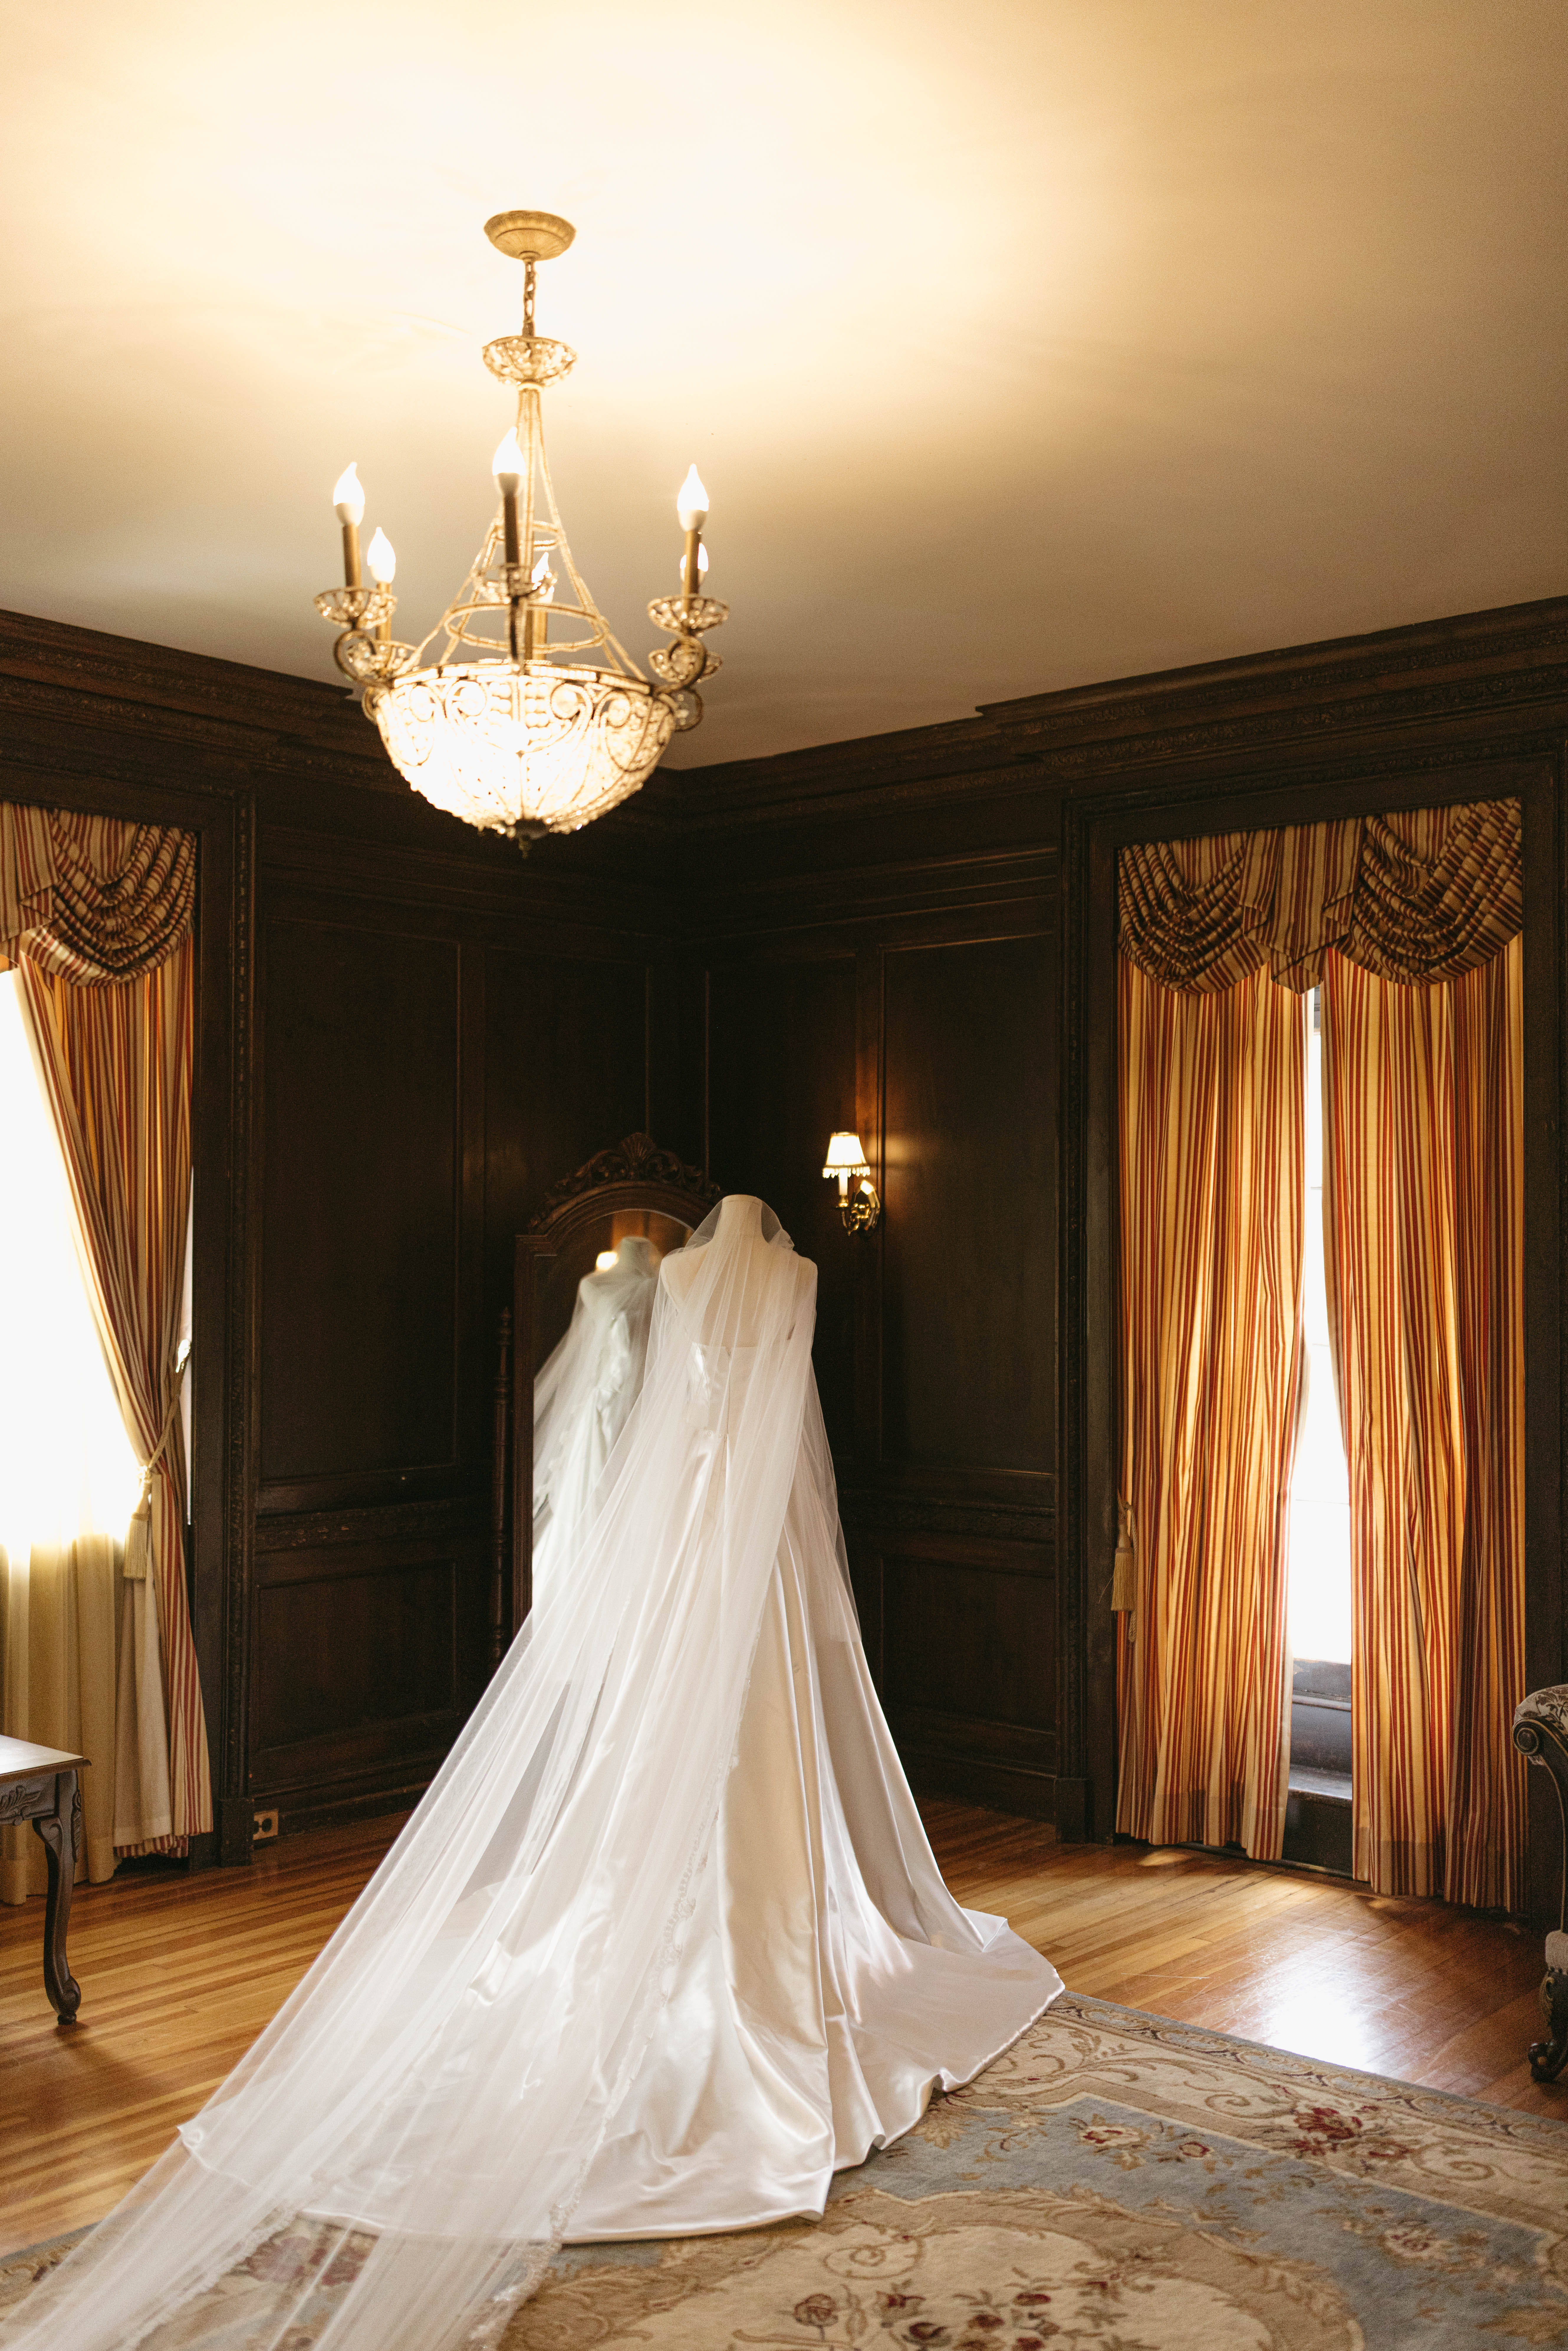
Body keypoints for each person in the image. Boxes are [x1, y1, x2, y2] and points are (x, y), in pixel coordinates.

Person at [2, 1196, 1059, 2350]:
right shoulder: (792, 1277)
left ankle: (736, 1934)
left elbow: (682, 1411)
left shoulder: (696, 1280)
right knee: (742, 1741)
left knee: (704, 1743)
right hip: (757, 1549)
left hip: (702, 1536)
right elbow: (776, 1429)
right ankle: (761, 1939)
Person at [531, 1233, 659, 1600]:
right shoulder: (593, 1285)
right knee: (592, 1496)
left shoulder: (665, 1286)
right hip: (606, 1409)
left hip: (647, 1407)